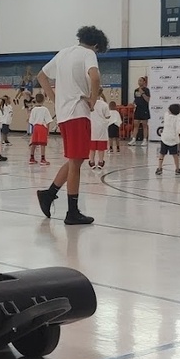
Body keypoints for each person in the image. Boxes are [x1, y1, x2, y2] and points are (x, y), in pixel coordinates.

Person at [36, 25, 108, 225]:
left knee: (75, 160)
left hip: (64, 114)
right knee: (76, 163)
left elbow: (41, 76)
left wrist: (53, 97)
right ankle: (72, 212)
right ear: (95, 44)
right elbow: (95, 77)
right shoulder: (88, 53)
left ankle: (49, 194)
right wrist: (94, 100)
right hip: (78, 112)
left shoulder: (63, 53)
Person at [155, 104, 180, 176]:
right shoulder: (178, 119)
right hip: (173, 139)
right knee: (175, 155)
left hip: (165, 138)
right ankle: (177, 169)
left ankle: (159, 168)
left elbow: (168, 112)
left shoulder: (166, 115)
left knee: (162, 154)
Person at [28, 94, 53, 165]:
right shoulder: (45, 109)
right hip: (42, 127)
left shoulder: (33, 109)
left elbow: (31, 121)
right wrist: (48, 131)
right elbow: (48, 121)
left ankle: (31, 158)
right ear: (43, 100)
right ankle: (42, 159)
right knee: (43, 144)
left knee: (34, 143)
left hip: (35, 127)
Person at [88, 90, 111, 170]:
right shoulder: (104, 104)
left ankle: (92, 161)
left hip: (91, 126)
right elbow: (108, 116)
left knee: (92, 147)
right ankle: (101, 161)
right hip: (101, 127)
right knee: (101, 147)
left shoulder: (89, 103)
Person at [131, 76, 151, 144]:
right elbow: (136, 98)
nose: (139, 82)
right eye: (138, 80)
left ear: (144, 82)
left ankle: (145, 139)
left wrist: (142, 92)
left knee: (144, 125)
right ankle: (133, 139)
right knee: (136, 124)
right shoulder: (136, 90)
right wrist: (133, 103)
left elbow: (147, 99)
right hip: (137, 109)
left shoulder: (146, 90)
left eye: (141, 81)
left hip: (144, 109)